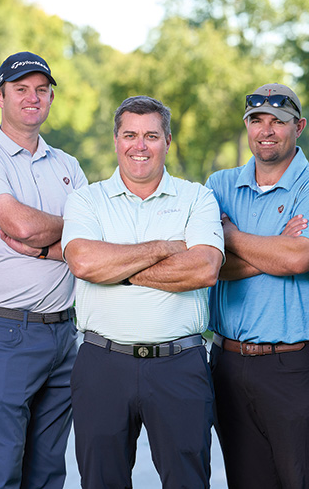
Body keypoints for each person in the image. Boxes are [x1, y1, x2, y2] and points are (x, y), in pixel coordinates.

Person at [61, 95, 224, 488]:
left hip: (179, 364)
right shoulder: (87, 199)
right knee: (101, 481)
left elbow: (204, 268)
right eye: (130, 134)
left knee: (188, 480)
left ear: (168, 140)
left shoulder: (196, 197)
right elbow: (84, 263)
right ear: (116, 140)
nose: (140, 145)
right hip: (103, 363)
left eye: (151, 135)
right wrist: (164, 247)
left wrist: (116, 268)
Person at [0, 51, 87, 489]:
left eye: (42, 90)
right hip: (4, 331)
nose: (33, 98)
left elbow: (92, 241)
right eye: (21, 89)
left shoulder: (68, 166)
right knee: (3, 469)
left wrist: (56, 240)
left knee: (49, 470)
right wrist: (72, 231)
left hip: (63, 333)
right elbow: (23, 225)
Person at [205, 83, 309, 488]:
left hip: (293, 363)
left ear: (298, 126)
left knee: (300, 479)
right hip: (228, 361)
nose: (266, 130)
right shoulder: (219, 184)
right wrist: (275, 246)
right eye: (256, 120)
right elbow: (206, 265)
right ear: (246, 126)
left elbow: (299, 259)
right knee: (245, 480)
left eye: (278, 121)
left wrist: (231, 237)